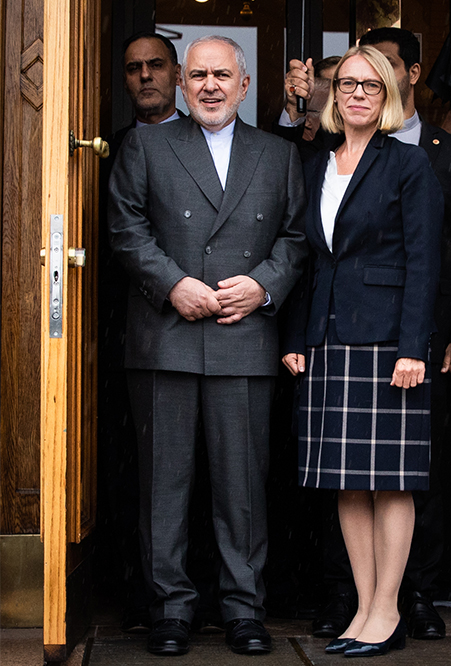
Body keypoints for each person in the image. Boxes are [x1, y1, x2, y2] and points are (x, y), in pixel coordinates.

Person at [278, 26, 451, 641]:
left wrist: (411, 350)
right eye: (348, 84)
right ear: (334, 94)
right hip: (330, 340)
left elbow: (424, 264)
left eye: (372, 84)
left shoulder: (409, 163)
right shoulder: (320, 162)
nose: (359, 94)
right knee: (347, 481)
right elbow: (315, 259)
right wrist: (299, 336)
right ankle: (366, 608)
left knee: (392, 482)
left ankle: (389, 610)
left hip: (387, 345)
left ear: (391, 91)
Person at [107, 35, 307, 656]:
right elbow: (124, 228)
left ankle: (245, 610)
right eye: (199, 76)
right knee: (164, 485)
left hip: (242, 335)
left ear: (244, 86)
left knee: (242, 485)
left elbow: (297, 238)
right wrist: (173, 285)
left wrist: (263, 287)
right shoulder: (145, 144)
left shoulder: (277, 155)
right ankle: (171, 610)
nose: (211, 86)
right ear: (183, 86)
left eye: (223, 75)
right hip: (165, 337)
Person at [97, 31, 182, 634]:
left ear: (176, 74)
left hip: (214, 326)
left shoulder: (211, 137)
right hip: (128, 331)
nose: (145, 76)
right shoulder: (106, 148)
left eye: (156, 65)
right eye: (134, 68)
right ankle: (138, 595)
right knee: (140, 472)